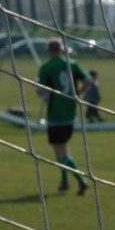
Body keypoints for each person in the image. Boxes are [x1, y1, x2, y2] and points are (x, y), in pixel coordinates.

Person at [36, 38, 92, 195]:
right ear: (61, 50)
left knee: (61, 151)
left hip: (55, 114)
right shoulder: (72, 64)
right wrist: (78, 94)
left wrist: (39, 88)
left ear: (48, 51)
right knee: (63, 149)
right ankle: (64, 181)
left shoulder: (46, 67)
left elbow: (40, 92)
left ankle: (81, 181)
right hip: (70, 113)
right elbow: (88, 81)